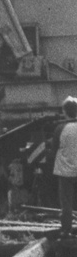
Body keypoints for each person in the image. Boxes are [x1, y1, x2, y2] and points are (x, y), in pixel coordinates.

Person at [49, 96, 77, 237]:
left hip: (65, 173)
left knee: (66, 204)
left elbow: (53, 150)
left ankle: (67, 230)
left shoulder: (60, 128)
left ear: (65, 111)